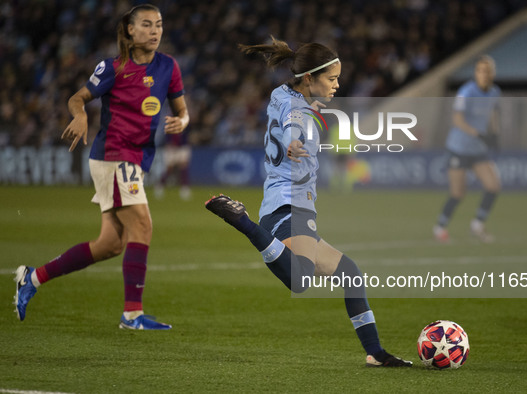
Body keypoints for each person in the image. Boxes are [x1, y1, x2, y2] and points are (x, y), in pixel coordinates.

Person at [205, 37, 412, 368]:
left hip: (285, 204)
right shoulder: (301, 112)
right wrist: (294, 143)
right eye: (331, 78)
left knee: (350, 274)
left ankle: (375, 352)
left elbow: (288, 115)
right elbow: (293, 128)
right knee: (300, 280)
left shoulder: (280, 94)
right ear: (309, 78)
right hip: (288, 206)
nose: (337, 85)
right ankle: (243, 222)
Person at [13, 4, 189, 330]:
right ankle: (132, 315)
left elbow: (182, 111)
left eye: (159, 24)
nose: (155, 31)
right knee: (143, 226)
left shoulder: (168, 66)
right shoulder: (113, 67)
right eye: (147, 25)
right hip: (113, 155)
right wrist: (80, 115)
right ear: (131, 31)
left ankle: (32, 278)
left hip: (138, 160)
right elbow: (77, 98)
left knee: (110, 244)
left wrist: (182, 120)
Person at [433, 55, 501, 243]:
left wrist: (494, 135)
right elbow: (457, 120)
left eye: (486, 71)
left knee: (493, 186)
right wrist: (478, 133)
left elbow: (493, 114)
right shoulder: (466, 92)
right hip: (459, 147)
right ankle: (440, 226)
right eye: (479, 70)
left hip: (478, 149)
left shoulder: (495, 92)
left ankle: (477, 224)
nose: (483, 74)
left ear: (492, 73)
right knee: (457, 193)